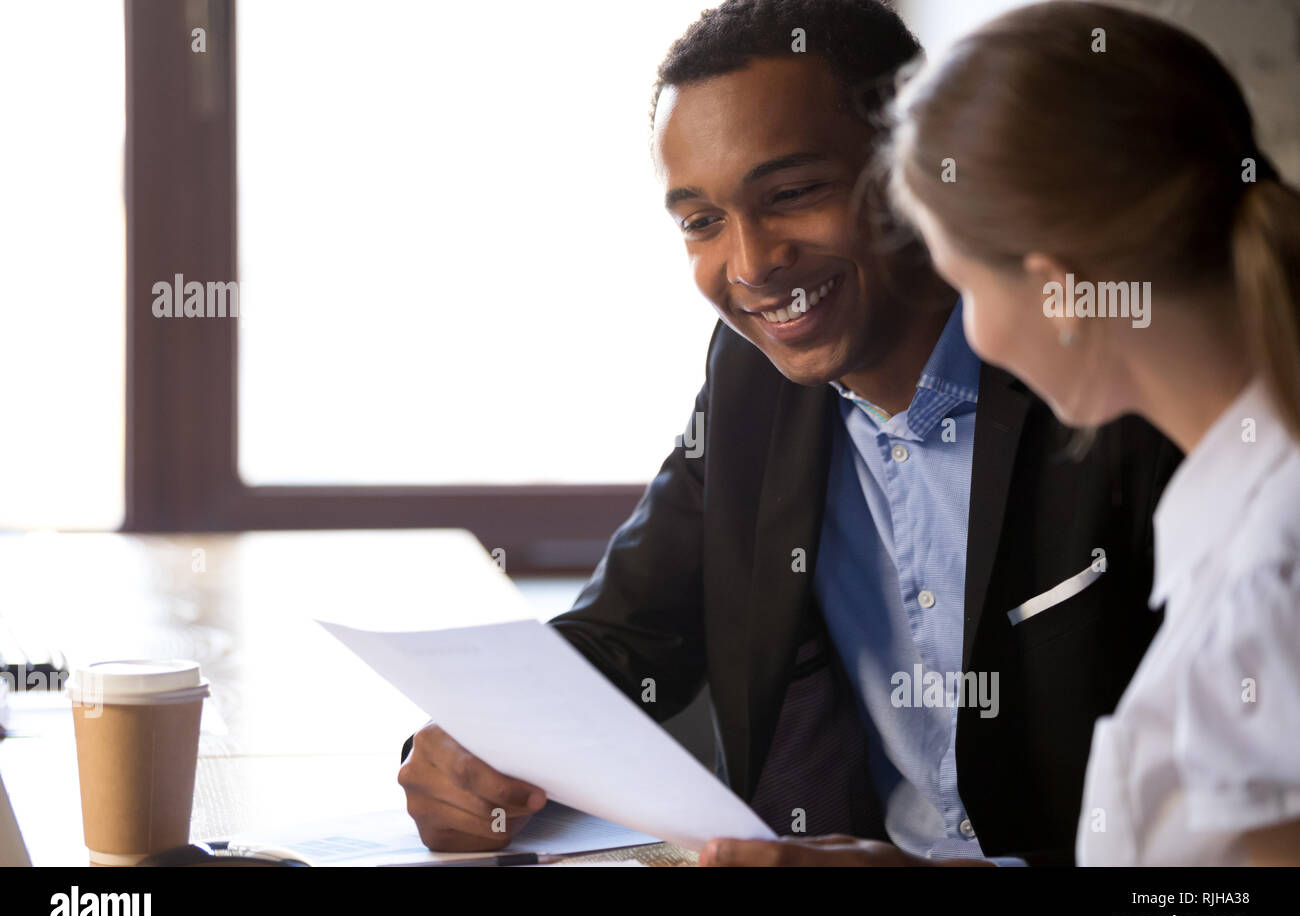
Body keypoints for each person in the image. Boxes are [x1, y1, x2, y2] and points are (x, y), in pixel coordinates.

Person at [398, 0, 1180, 866]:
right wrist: (469, 748)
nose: (750, 265)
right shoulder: (753, 385)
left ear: (916, 170)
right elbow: (624, 634)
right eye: (700, 220)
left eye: (793, 193)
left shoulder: (1109, 390)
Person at [886, 1, 1300, 865]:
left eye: (965, 287)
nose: (970, 333)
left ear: (1063, 291)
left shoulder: (1265, 582)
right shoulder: (1247, 509)